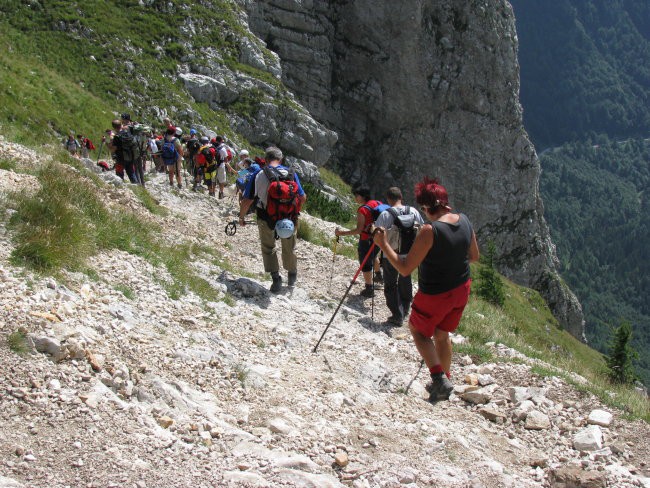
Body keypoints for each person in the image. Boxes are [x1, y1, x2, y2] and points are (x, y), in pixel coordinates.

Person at [373, 177, 479, 403]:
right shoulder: (465, 220)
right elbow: (474, 256)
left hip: (435, 292)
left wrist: (383, 245)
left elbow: (404, 268)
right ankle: (446, 377)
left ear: (426, 207)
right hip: (461, 289)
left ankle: (439, 379)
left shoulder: (430, 230)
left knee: (419, 331)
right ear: (445, 202)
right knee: (442, 334)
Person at [238, 146, 306, 293]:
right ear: (280, 159)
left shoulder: (259, 174)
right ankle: (292, 277)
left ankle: (276, 280)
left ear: (266, 159)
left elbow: (247, 199)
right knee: (289, 247)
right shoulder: (291, 173)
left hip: (265, 217)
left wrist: (241, 217)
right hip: (289, 218)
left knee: (268, 248)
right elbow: (303, 197)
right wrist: (293, 212)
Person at [375, 187, 424, 326]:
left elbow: (377, 235)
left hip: (391, 254)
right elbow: (422, 228)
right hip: (410, 254)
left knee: (390, 284)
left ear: (389, 199)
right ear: (401, 197)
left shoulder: (385, 214)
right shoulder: (413, 211)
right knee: (405, 280)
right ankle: (405, 308)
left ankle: (397, 314)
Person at [334, 186, 383, 298]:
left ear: (363, 196)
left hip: (366, 240)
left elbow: (359, 230)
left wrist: (341, 233)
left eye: (357, 195)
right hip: (378, 237)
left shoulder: (363, 210)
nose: (355, 198)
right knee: (374, 255)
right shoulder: (378, 203)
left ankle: (369, 288)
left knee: (365, 263)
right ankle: (379, 276)